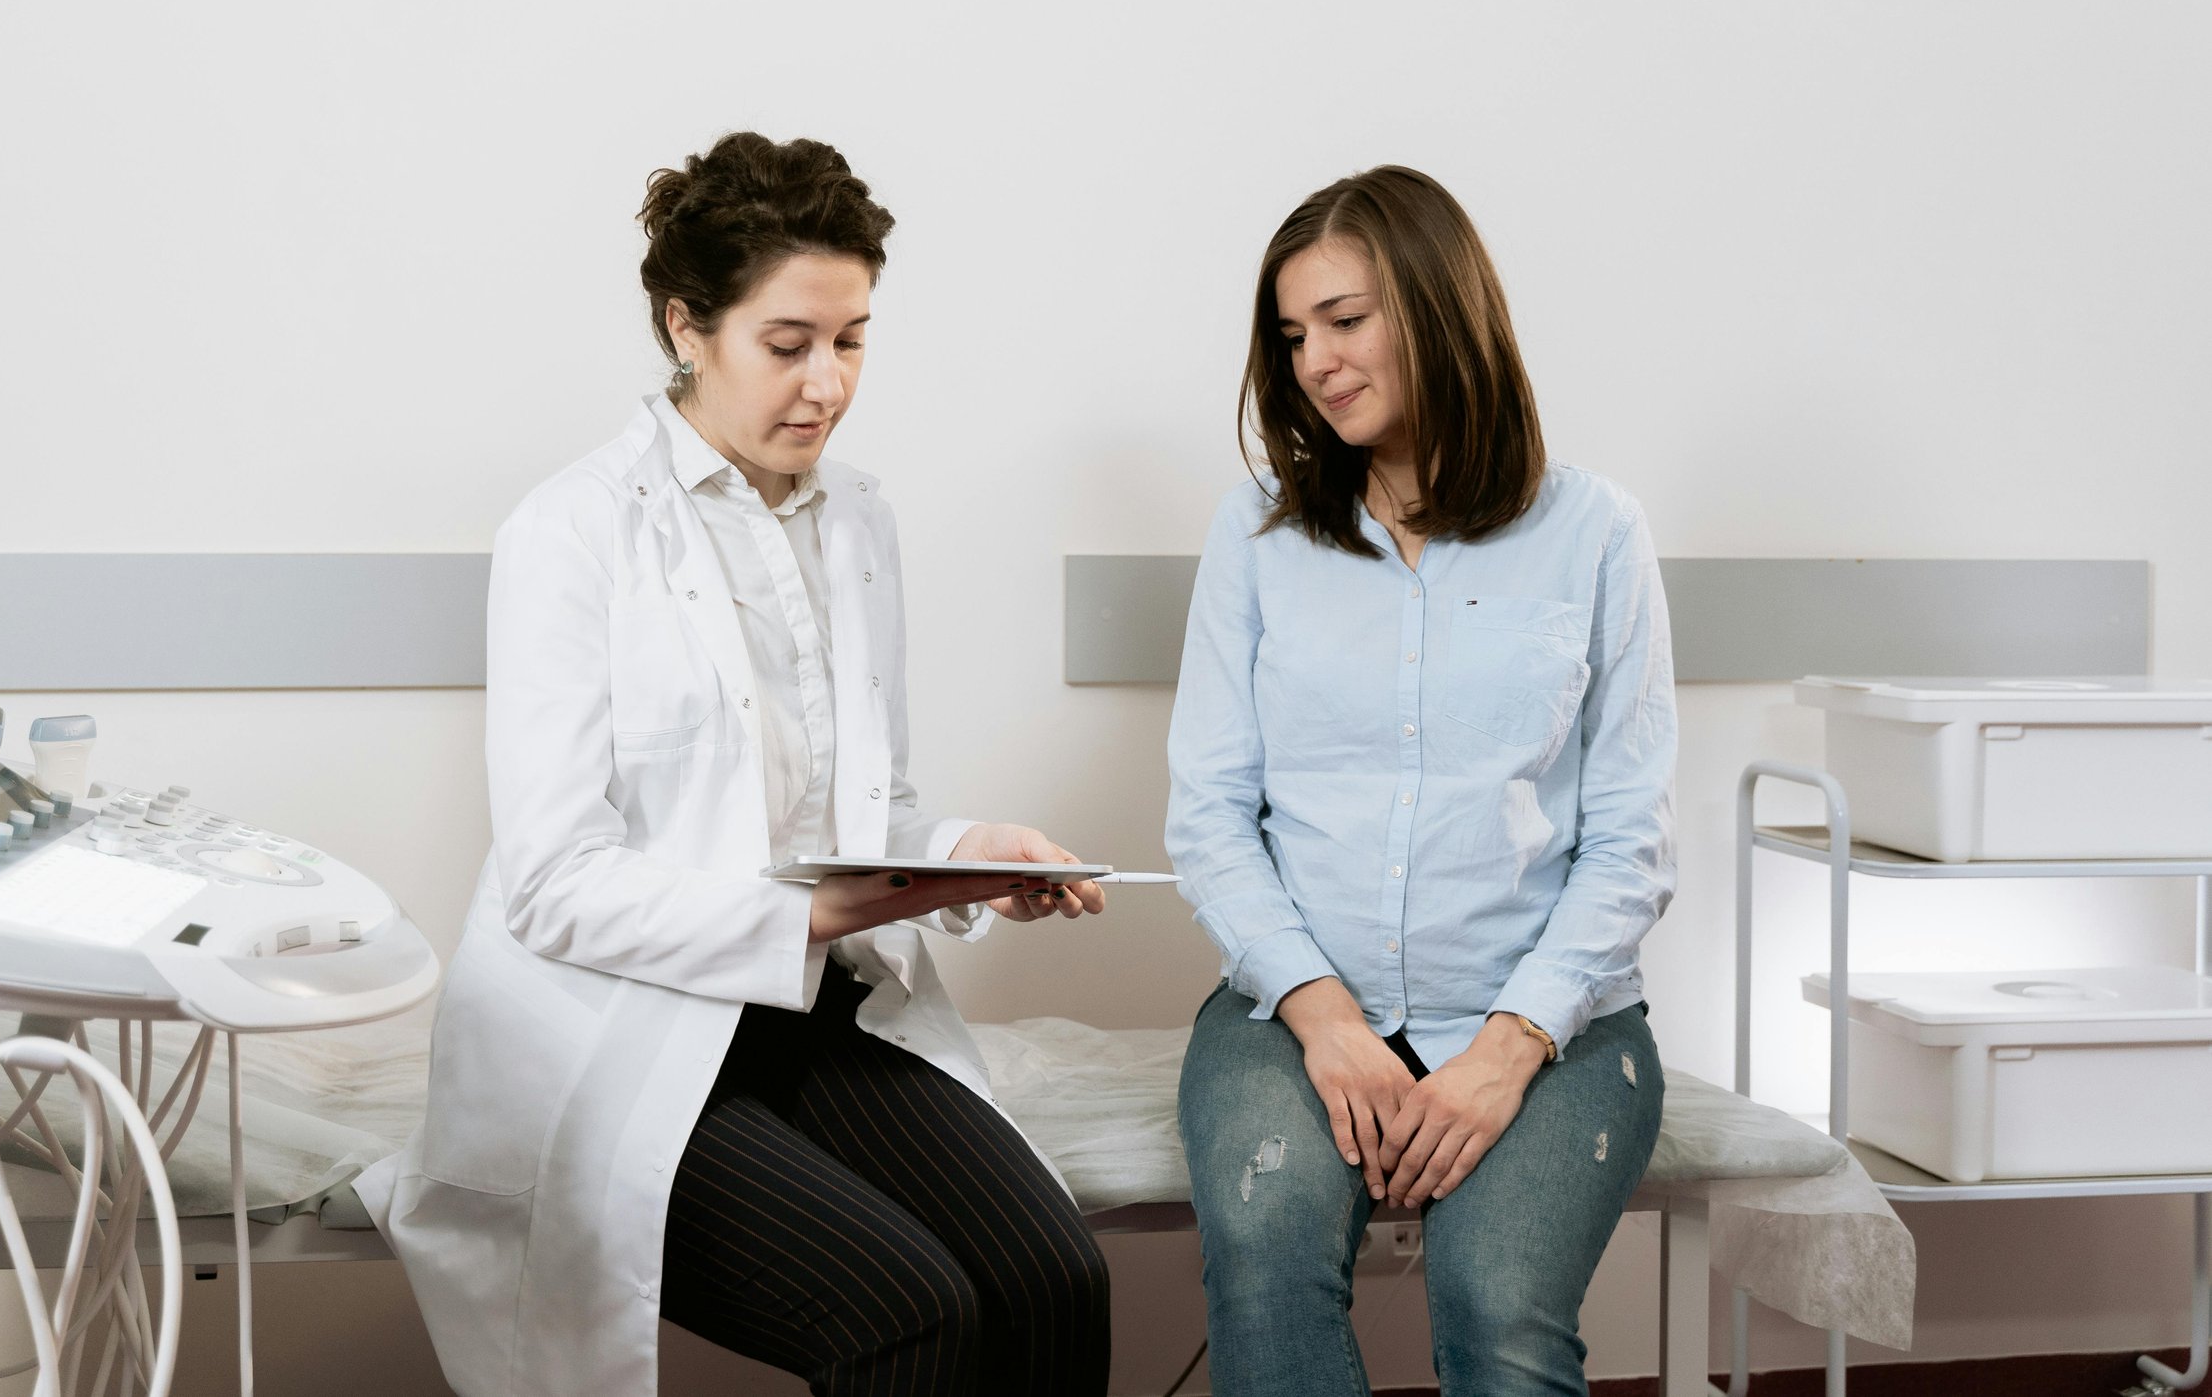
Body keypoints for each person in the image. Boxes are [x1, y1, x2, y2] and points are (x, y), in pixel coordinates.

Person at [371, 132, 1112, 1397]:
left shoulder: (859, 519)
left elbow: (862, 809)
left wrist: (960, 857)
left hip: (814, 1010)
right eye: (788, 344)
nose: (826, 383)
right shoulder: (573, 531)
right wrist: (807, 908)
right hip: (622, 1033)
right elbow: (553, 882)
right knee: (909, 1311)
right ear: (685, 327)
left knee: (1058, 1277)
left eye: (853, 339)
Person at [1167, 165, 1676, 1397]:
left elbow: (1629, 842)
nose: (1317, 361)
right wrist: (1327, 1020)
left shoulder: (1595, 532)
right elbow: (1209, 818)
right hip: (1292, 1014)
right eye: (1293, 337)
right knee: (1267, 1255)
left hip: (1548, 1022)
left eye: (1346, 319)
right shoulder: (1255, 538)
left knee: (1497, 1306)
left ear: (1441, 307)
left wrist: (1508, 1047)